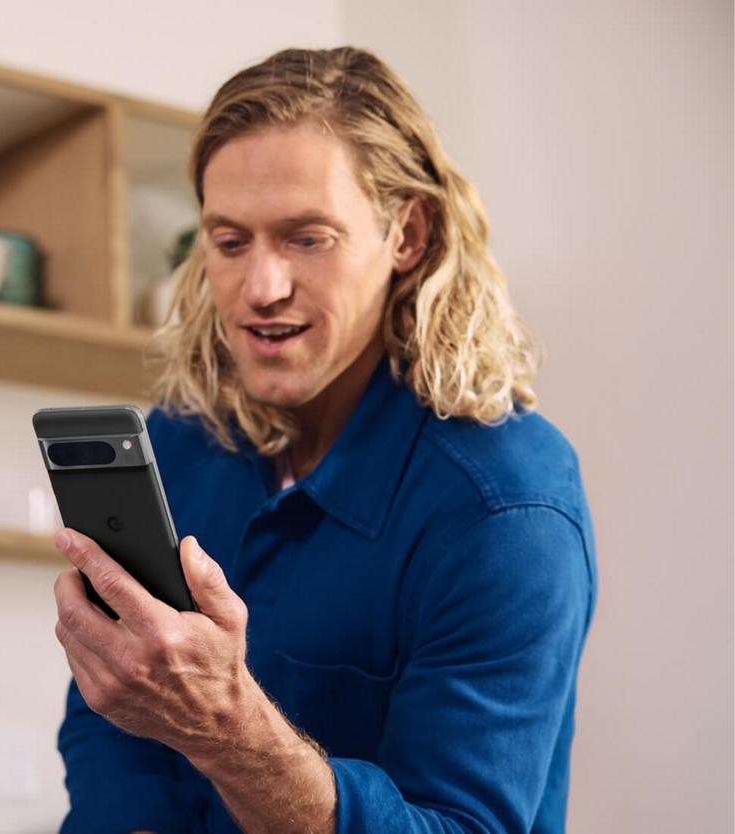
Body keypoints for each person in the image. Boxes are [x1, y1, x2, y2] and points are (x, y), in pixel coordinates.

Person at [50, 47, 597, 834]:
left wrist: (230, 731)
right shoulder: (180, 445)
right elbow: (111, 722)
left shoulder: (506, 506)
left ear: (407, 235)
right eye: (230, 242)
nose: (262, 289)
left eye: (307, 238)